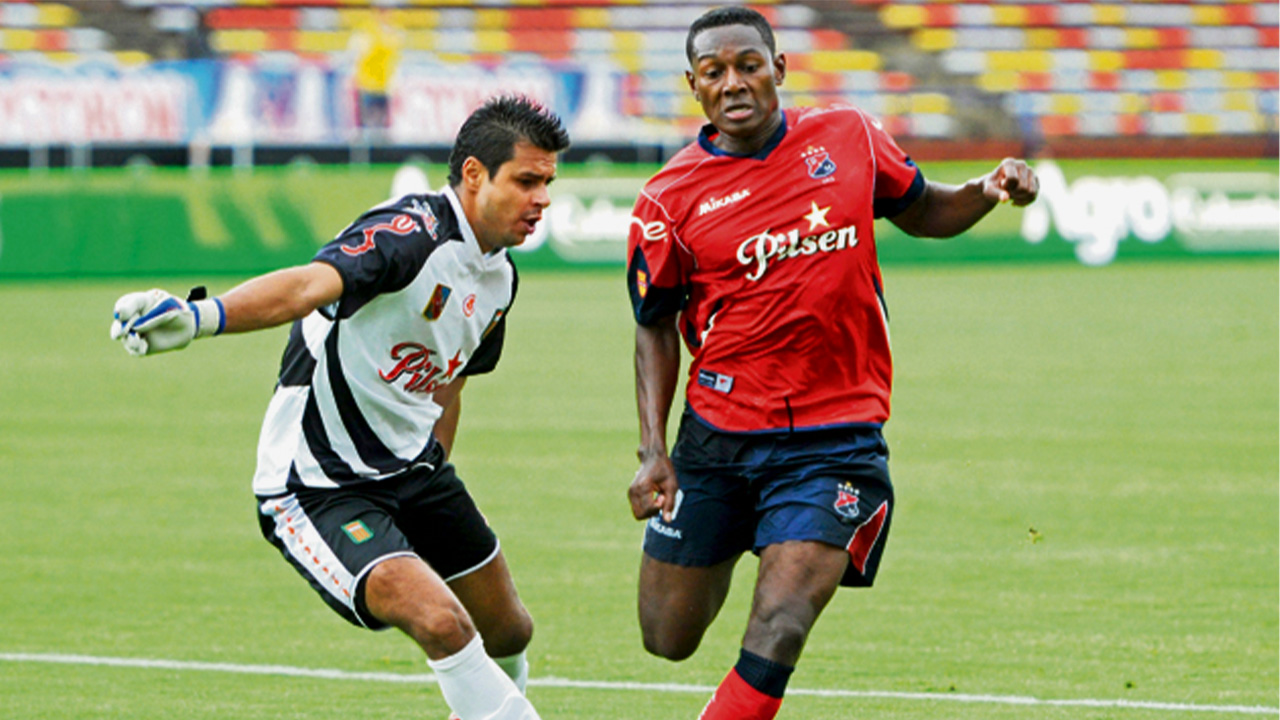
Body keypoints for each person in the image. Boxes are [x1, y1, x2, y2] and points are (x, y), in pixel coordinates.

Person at [624, 7, 1039, 719]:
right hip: (718, 437)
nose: (734, 83)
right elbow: (654, 325)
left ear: (779, 69)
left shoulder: (849, 137)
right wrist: (654, 451)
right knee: (667, 636)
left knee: (781, 622)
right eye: (714, 72)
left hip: (834, 440)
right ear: (693, 85)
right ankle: (752, 529)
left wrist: (987, 190)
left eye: (749, 65)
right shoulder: (668, 198)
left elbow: (922, 209)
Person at [110, 95, 569, 720]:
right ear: (473, 174)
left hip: (414, 473)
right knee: (442, 621)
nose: (542, 199)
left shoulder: (499, 279)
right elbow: (305, 286)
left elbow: (449, 387)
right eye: (526, 181)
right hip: (317, 486)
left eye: (547, 184)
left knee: (509, 630)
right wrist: (199, 317)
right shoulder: (408, 235)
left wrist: (428, 483)